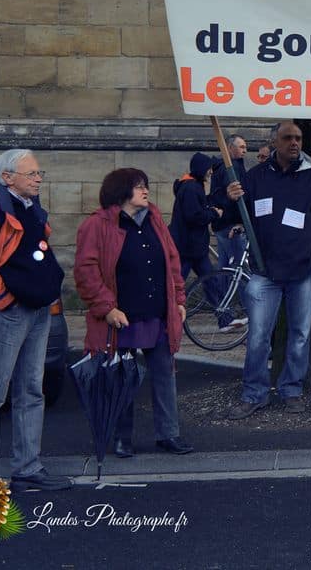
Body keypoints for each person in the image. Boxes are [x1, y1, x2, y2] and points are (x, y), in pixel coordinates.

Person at [0, 149, 70, 493]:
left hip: (36, 309)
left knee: (31, 390)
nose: (38, 179)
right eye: (31, 173)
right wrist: (4, 298)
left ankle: (27, 468)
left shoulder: (29, 206)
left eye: (39, 173)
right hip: (9, 311)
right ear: (7, 177)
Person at [223, 121, 311, 418]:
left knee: (300, 334)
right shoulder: (256, 177)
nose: (294, 143)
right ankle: (254, 394)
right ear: (275, 141)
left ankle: (291, 390)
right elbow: (232, 217)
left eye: (298, 138)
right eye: (288, 138)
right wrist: (230, 198)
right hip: (265, 273)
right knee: (258, 337)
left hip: (304, 271)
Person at [74, 168, 193, 458]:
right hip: (121, 315)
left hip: (157, 312)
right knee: (121, 377)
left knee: (164, 373)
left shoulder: (154, 218)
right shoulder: (97, 224)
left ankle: (169, 434)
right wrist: (107, 308)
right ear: (121, 191)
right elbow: (86, 271)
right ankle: (121, 437)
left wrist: (179, 299)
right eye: (139, 186)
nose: (145, 190)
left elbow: (172, 261)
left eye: (145, 185)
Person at [167, 152, 224, 283]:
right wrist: (214, 213)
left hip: (193, 246)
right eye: (209, 168)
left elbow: (196, 209)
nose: (211, 172)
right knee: (179, 283)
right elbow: (194, 216)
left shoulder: (192, 185)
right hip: (189, 246)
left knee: (210, 281)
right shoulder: (191, 188)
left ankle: (218, 298)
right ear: (201, 168)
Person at [210, 133, 249, 270]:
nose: (245, 151)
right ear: (230, 148)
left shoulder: (220, 167)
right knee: (238, 269)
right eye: (241, 147)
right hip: (231, 225)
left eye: (245, 147)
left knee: (225, 268)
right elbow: (236, 197)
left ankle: (222, 286)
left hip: (221, 224)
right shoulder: (231, 168)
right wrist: (240, 222)